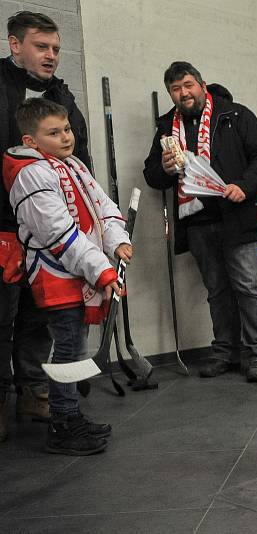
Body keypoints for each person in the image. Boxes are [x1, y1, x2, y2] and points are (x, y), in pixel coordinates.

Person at [4, 98, 130, 454]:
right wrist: (102, 271)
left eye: (67, 129)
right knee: (69, 350)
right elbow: (59, 235)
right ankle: (62, 424)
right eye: (54, 133)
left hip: (81, 274)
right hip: (56, 274)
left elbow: (102, 207)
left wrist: (118, 240)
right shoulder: (30, 174)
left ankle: (70, 415)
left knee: (74, 346)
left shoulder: (70, 164)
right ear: (30, 141)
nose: (65, 138)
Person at [143, 61, 257, 382]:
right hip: (197, 221)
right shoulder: (166, 128)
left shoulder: (236, 115)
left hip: (238, 217)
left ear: (202, 86)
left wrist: (244, 186)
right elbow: (154, 177)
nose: (183, 92)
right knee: (217, 290)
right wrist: (164, 167)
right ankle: (224, 353)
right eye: (175, 88)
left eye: (188, 85)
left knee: (249, 288)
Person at [0, 11, 92, 440]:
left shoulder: (62, 94)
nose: (52, 55)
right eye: (42, 46)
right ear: (15, 45)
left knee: (40, 315)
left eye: (56, 48)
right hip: (2, 224)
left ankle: (35, 391)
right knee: (3, 315)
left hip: (47, 231)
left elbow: (79, 157)